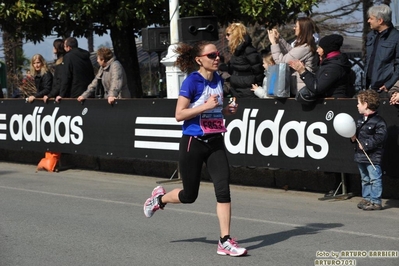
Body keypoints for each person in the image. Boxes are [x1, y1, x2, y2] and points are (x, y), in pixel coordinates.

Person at [143, 41, 247, 257]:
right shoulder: (192, 81)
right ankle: (158, 199)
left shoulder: (218, 79)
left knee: (223, 188)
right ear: (199, 59)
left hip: (215, 140)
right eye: (211, 55)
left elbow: (216, 109)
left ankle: (225, 241)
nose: (216, 58)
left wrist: (226, 109)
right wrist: (205, 107)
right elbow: (179, 114)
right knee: (190, 195)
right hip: (194, 142)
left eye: (217, 54)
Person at [350, 89, 387, 211]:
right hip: (361, 155)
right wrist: (353, 138)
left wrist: (366, 144)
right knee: (365, 178)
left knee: (374, 178)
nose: (357, 105)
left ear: (366, 104)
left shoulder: (379, 121)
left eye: (359, 103)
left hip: (373, 156)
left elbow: (380, 137)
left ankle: (375, 201)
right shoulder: (360, 120)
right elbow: (356, 135)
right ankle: (366, 198)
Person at [289, 34, 355, 98]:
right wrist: (304, 70)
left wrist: (302, 72)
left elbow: (317, 88)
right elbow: (318, 82)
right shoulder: (332, 64)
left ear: (326, 50)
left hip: (334, 105)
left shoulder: (334, 67)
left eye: (320, 48)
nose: (317, 50)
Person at [268, 17, 318, 96]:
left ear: (303, 29)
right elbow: (291, 53)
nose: (294, 28)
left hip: (301, 91)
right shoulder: (304, 46)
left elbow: (281, 62)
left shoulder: (305, 48)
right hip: (298, 89)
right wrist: (279, 39)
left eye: (296, 26)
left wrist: (274, 44)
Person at [364, 4, 399, 97]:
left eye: (371, 18)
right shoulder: (371, 36)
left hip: (386, 90)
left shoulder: (396, 38)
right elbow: (368, 60)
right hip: (370, 88)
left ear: (380, 21)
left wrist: (389, 84)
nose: (368, 21)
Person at [225, 22, 264, 98]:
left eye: (228, 34)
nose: (226, 37)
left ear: (235, 35)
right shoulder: (234, 52)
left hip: (249, 92)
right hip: (236, 90)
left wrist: (257, 86)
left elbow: (258, 71)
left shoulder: (249, 50)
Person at [55, 37, 94, 102]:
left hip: (75, 93)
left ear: (69, 47)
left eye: (65, 46)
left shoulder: (68, 57)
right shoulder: (86, 56)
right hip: (88, 91)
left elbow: (66, 76)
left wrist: (61, 94)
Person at [43, 39, 66, 103]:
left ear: (56, 48)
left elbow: (59, 82)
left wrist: (50, 95)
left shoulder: (61, 64)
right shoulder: (63, 61)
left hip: (60, 97)